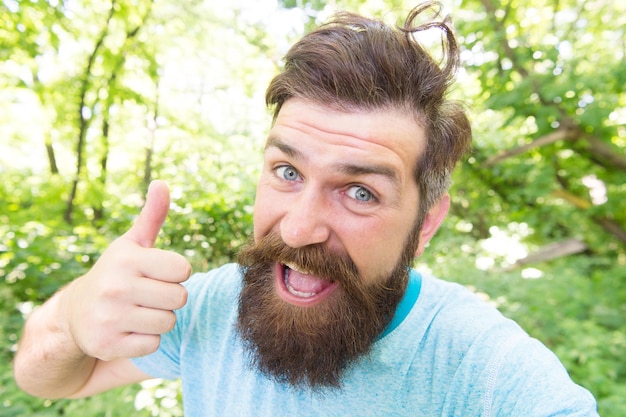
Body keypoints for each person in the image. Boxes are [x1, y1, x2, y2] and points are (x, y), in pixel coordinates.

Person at [14, 2, 599, 416]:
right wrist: (70, 320)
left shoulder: (484, 371)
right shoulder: (213, 306)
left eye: (360, 191)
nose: (297, 228)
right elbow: (54, 378)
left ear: (425, 224)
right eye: (288, 172)